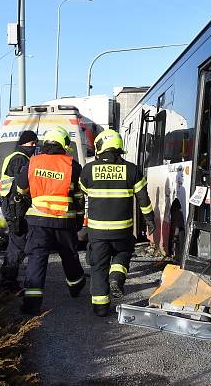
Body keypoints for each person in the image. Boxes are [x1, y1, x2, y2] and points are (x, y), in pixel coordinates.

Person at [79, 129, 155, 317]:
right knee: (122, 252)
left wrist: (79, 222)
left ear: (100, 146)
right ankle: (116, 277)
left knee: (98, 267)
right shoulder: (132, 169)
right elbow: (143, 199)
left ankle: (101, 307)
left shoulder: (89, 169)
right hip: (122, 229)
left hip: (97, 230)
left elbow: (81, 195)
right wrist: (150, 220)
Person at [16, 127, 86, 315]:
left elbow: (21, 189)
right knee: (69, 255)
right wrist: (79, 217)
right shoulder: (72, 165)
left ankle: (32, 302)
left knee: (36, 259)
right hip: (64, 221)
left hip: (38, 221)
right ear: (64, 144)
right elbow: (79, 196)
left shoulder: (33, 162)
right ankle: (76, 285)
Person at [0, 130, 38, 291]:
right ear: (24, 144)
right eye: (32, 144)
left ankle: (8, 278)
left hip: (12, 205)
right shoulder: (20, 159)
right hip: (15, 207)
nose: (34, 147)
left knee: (16, 242)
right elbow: (20, 187)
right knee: (16, 244)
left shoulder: (17, 156)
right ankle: (8, 282)